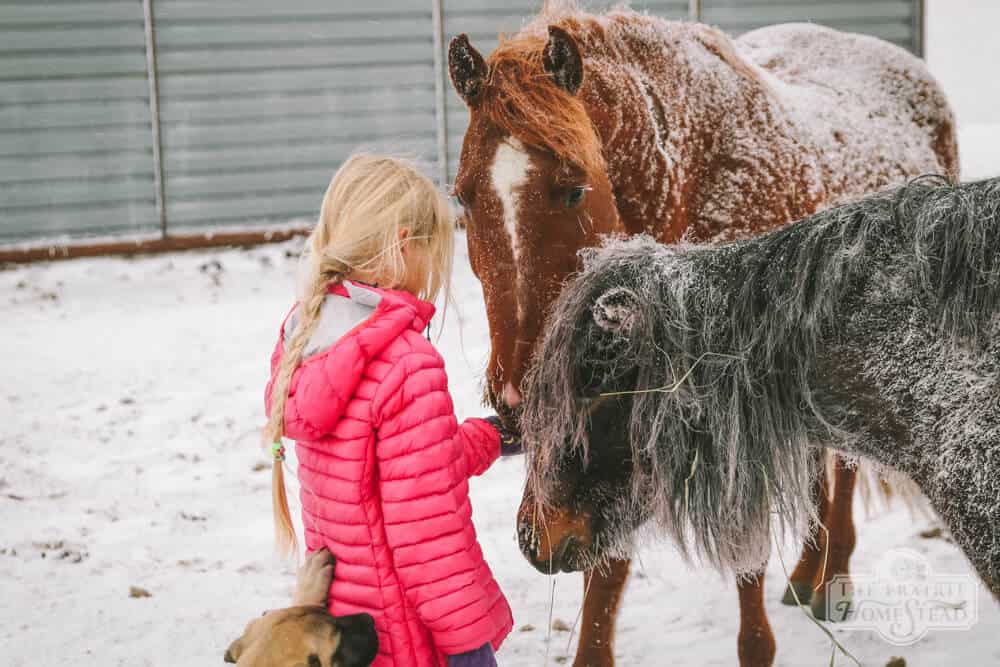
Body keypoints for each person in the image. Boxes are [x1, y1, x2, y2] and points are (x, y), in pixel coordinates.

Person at [262, 153, 518, 667]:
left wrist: (498, 435)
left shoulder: (308, 341)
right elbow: (425, 530)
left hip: (354, 632)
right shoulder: (406, 362)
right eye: (433, 251)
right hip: (411, 634)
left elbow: (409, 471)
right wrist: (468, 645)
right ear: (404, 244)